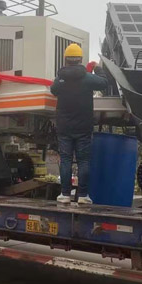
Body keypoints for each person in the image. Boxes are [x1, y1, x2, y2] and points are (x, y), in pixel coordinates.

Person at [50, 44, 108, 205]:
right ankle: (82, 195)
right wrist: (97, 68)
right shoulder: (87, 78)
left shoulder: (61, 78)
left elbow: (53, 90)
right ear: (80, 59)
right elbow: (104, 83)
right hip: (84, 126)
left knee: (66, 159)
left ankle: (65, 194)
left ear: (66, 60)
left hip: (64, 127)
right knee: (83, 161)